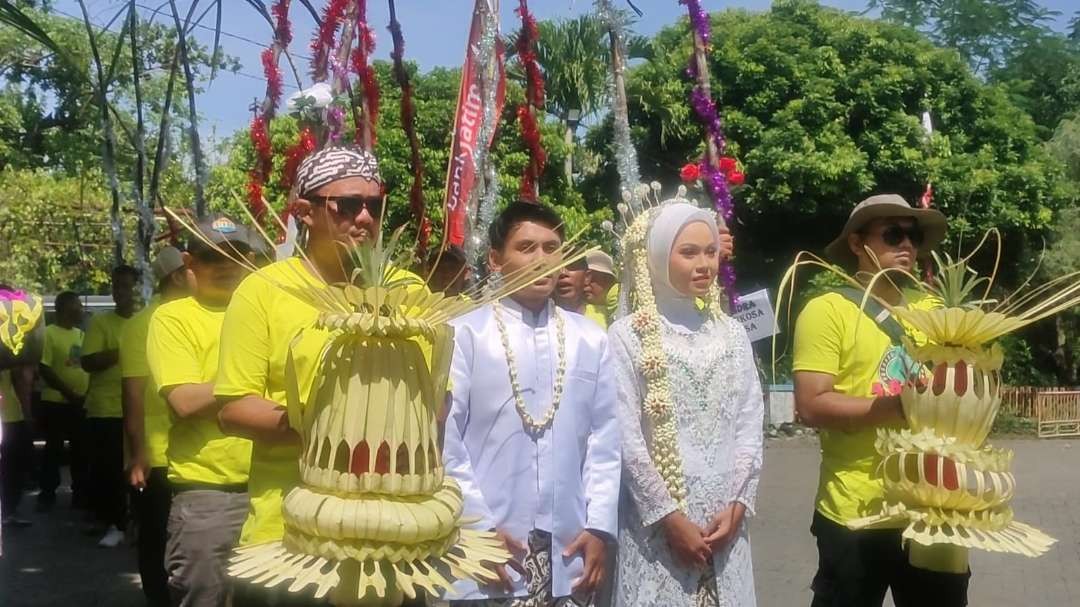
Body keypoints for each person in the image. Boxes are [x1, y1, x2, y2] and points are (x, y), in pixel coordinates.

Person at [216, 146, 400, 607]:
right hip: (288, 536)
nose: (364, 218)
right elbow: (235, 407)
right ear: (305, 212)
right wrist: (335, 435)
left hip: (392, 536)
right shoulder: (264, 291)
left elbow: (436, 399)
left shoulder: (406, 292)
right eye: (347, 205)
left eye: (374, 206)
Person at [442, 201, 621, 606]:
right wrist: (477, 526)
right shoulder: (464, 335)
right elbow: (445, 442)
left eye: (552, 247)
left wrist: (600, 527)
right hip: (484, 549)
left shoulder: (590, 339)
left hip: (571, 547)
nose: (542, 259)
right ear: (495, 259)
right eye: (526, 247)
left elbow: (604, 441)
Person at [792, 194, 967, 606]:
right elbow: (812, 404)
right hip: (856, 509)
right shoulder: (827, 310)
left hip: (932, 506)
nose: (907, 245)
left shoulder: (936, 311)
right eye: (892, 234)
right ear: (857, 243)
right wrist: (894, 408)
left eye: (914, 235)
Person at [609, 202, 762, 606]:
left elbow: (749, 421)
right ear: (659, 256)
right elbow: (625, 436)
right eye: (689, 252)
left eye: (711, 252)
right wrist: (669, 518)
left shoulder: (731, 334)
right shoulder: (627, 336)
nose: (704, 264)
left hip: (725, 522)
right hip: (658, 526)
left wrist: (739, 504)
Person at [149, 217, 254, 607]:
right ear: (189, 263)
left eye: (236, 254)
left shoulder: (265, 313)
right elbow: (186, 401)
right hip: (208, 497)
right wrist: (252, 378)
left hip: (273, 491)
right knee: (202, 598)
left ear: (249, 260)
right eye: (213, 256)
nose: (226, 264)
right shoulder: (173, 318)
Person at [120, 246, 190, 606]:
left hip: (193, 453)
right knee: (155, 538)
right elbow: (132, 393)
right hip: (157, 455)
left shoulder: (202, 316)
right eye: (192, 268)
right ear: (177, 277)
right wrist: (138, 454)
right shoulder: (141, 326)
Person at [81, 264, 139, 547]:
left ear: (136, 289)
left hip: (139, 408)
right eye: (116, 287)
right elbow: (88, 362)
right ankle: (114, 523)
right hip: (106, 409)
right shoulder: (100, 323)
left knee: (138, 469)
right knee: (110, 470)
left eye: (125, 286)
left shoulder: (144, 321)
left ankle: (137, 523)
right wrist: (123, 351)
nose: (120, 293)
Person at [37, 291, 90, 512]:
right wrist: (68, 392)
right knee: (54, 451)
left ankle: (80, 495)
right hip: (56, 402)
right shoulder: (48, 334)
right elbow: (44, 367)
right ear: (65, 308)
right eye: (77, 306)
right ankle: (47, 494)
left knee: (81, 451)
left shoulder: (81, 335)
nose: (81, 310)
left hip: (80, 404)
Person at [1, 364, 35, 528]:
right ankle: (8, 511)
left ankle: (8, 511)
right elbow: (21, 380)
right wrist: (27, 413)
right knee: (12, 467)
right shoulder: (10, 347)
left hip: (9, 414)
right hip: (9, 415)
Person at [582, 251, 617, 328]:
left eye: (592, 279)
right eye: (583, 279)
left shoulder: (620, 305)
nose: (586, 283)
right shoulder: (577, 310)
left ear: (608, 280)